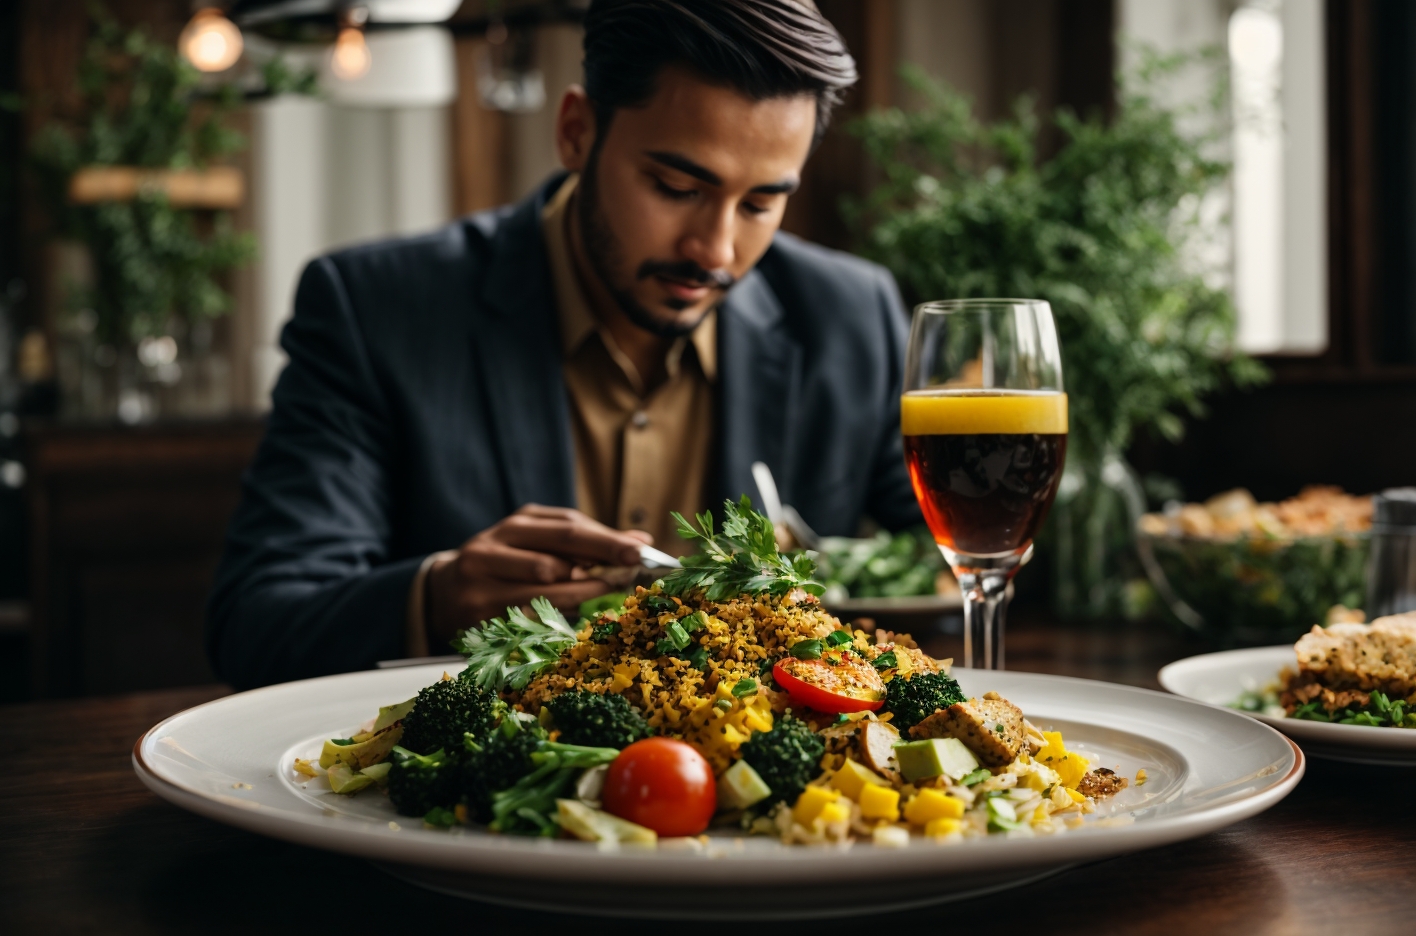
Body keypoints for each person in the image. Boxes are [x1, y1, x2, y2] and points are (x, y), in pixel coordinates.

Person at [207, 0, 921, 689]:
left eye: (762, 203)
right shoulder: (375, 309)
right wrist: (437, 597)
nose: (718, 249)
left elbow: (952, 560)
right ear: (577, 131)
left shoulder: (849, 316)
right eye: (676, 186)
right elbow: (259, 624)